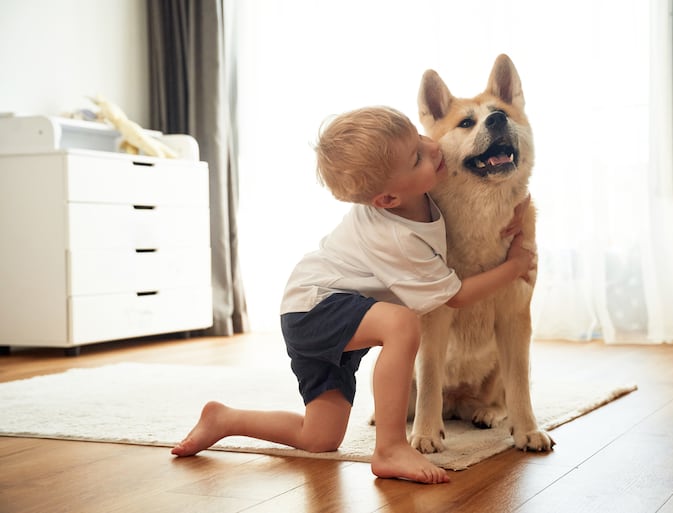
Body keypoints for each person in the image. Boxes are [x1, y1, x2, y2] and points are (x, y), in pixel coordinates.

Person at [172, 106, 536, 485]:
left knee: (320, 437)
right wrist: (513, 266)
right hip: (315, 307)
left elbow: (476, 206)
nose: (433, 149)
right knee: (403, 323)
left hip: (310, 312)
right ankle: (390, 447)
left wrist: (518, 208)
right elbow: (456, 296)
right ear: (388, 199)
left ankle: (224, 419)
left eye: (419, 137)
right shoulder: (398, 235)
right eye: (417, 157)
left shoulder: (412, 195)